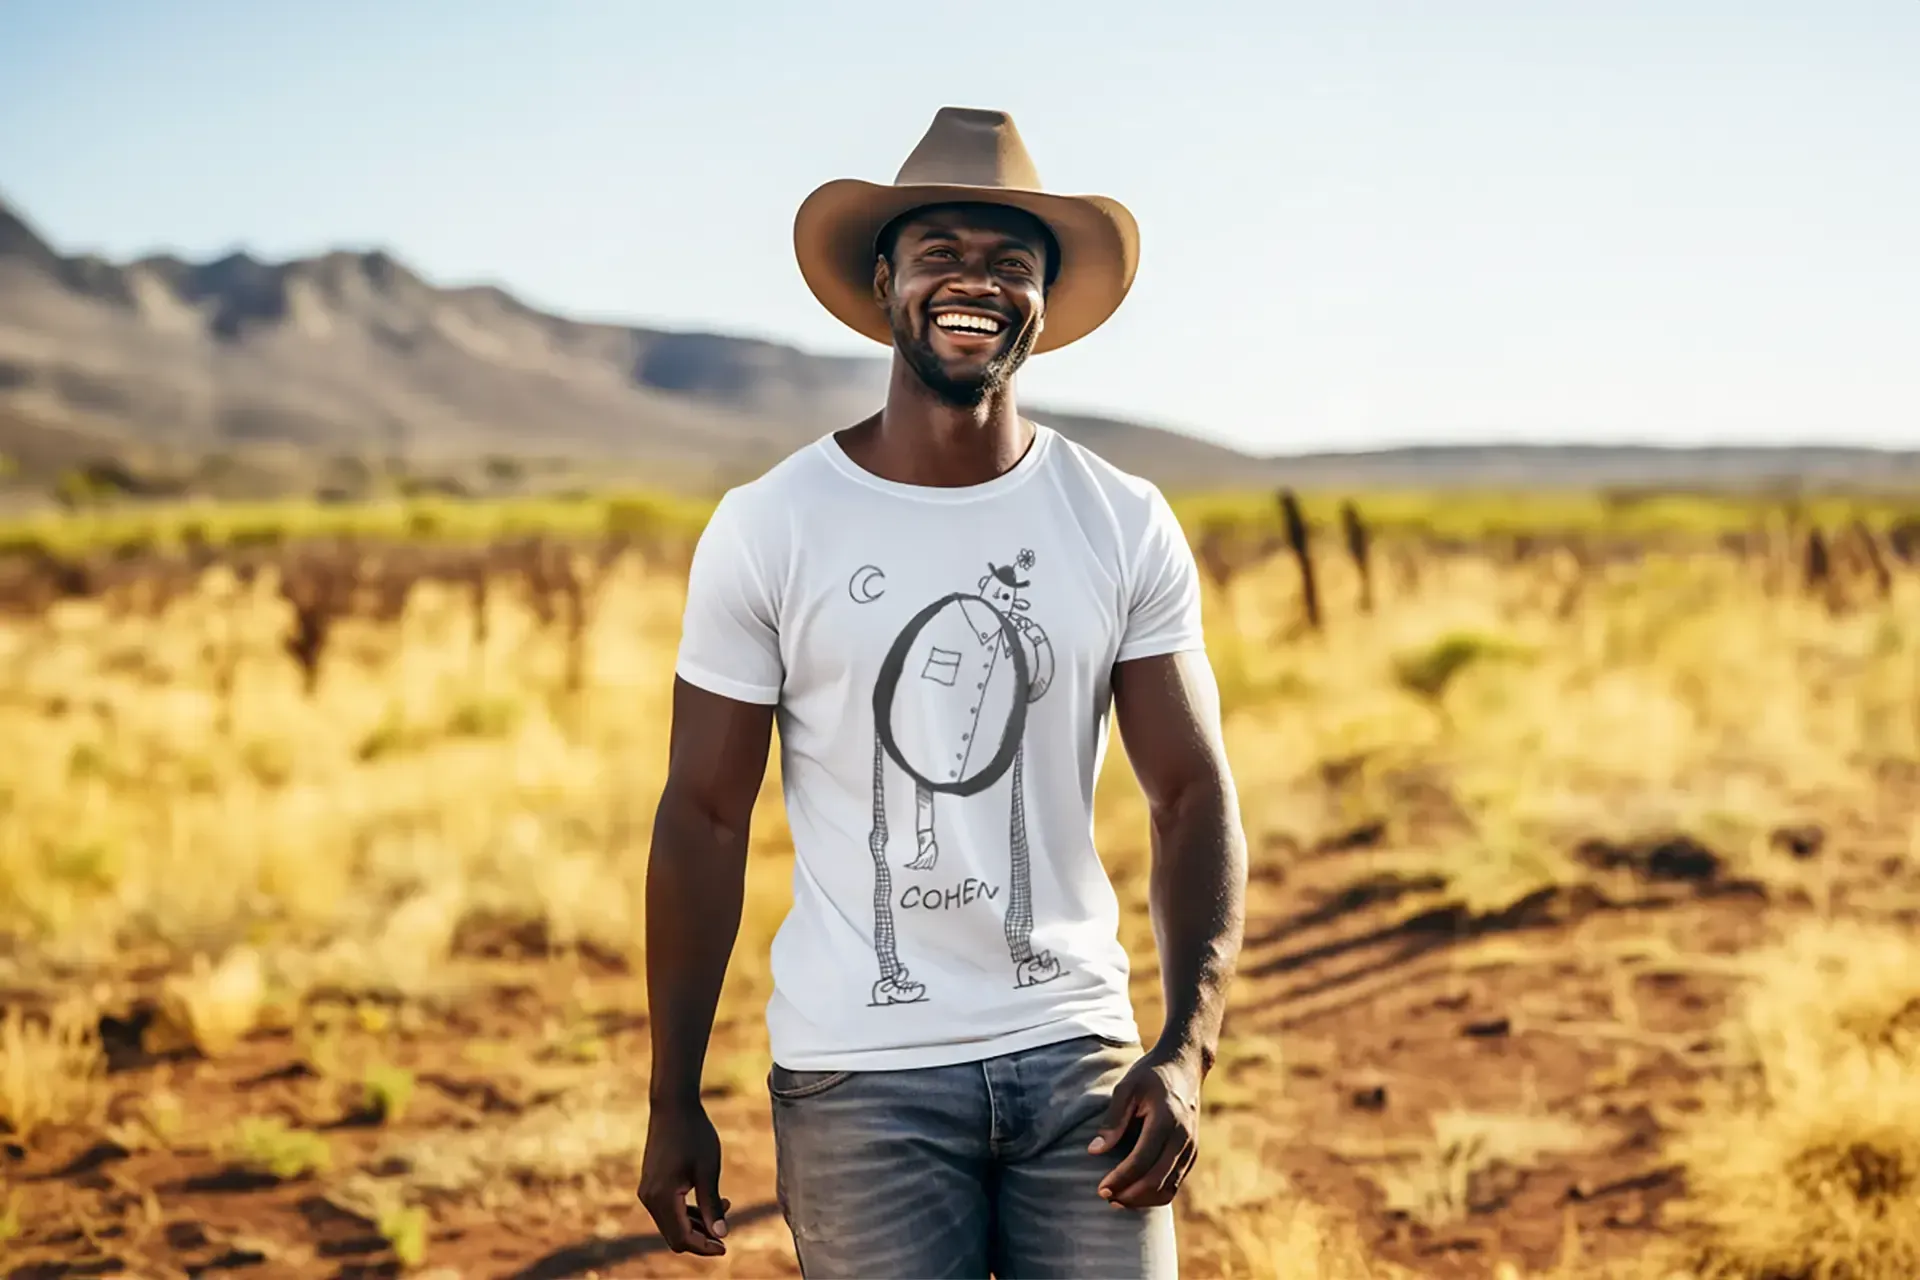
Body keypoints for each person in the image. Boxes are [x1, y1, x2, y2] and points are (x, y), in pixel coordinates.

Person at [636, 105, 1248, 1279]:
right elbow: (704, 814)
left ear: (1045, 303)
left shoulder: (1119, 519)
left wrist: (1186, 1045)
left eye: (1011, 262)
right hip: (860, 1072)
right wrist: (672, 1095)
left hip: (1078, 1059)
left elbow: (1189, 790)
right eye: (941, 255)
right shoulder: (772, 524)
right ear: (885, 285)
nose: (975, 282)